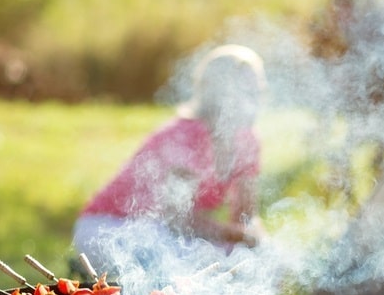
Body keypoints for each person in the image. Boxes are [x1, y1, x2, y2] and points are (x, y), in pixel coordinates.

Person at [73, 44, 267, 279]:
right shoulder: (186, 136)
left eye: (258, 89)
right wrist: (238, 236)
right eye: (249, 91)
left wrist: (256, 240)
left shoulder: (247, 141)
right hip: (110, 228)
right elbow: (178, 219)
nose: (258, 97)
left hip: (162, 233)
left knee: (252, 263)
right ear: (221, 93)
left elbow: (245, 218)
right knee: (200, 270)